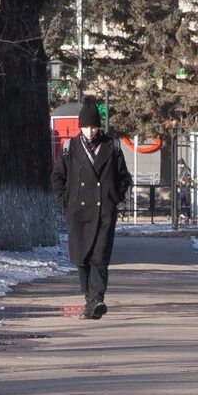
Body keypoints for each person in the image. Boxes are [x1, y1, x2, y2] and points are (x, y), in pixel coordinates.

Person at [53, 100, 131, 318]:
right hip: (78, 212)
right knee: (82, 257)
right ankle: (89, 299)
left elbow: (124, 177)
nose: (90, 131)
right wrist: (66, 201)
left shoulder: (111, 146)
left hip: (104, 211)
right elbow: (57, 177)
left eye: (94, 126)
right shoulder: (70, 148)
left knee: (100, 256)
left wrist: (115, 198)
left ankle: (97, 299)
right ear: (80, 127)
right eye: (86, 127)